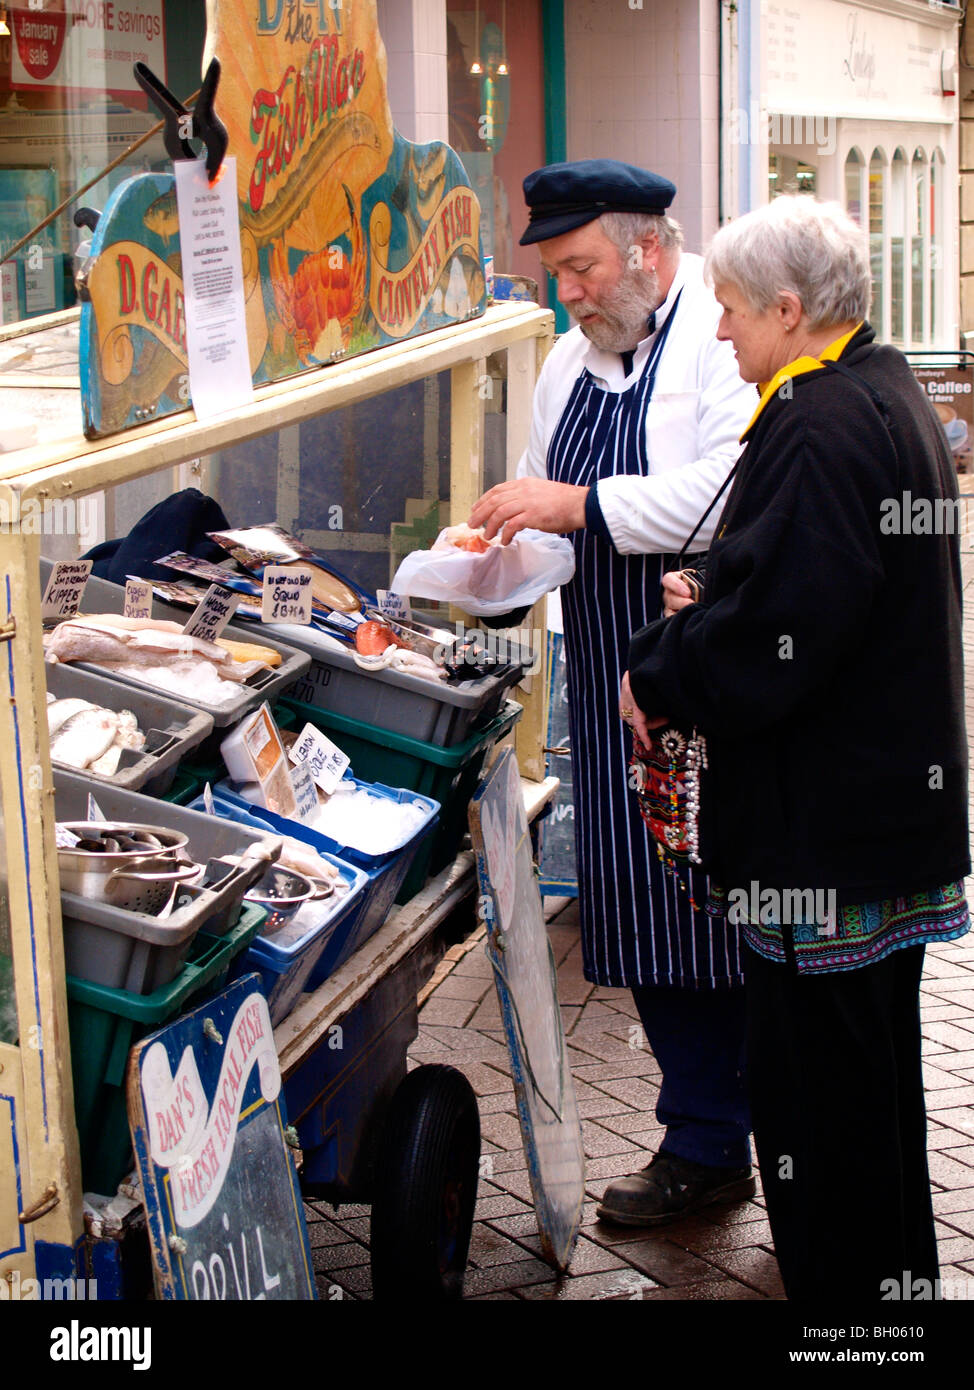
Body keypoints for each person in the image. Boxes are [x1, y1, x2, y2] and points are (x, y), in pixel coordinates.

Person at [623, 195, 971, 1299]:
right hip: (874, 828)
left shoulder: (817, 422)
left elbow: (780, 649)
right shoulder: (878, 389)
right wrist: (722, 590)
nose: (718, 332)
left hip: (826, 840)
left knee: (822, 1118)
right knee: (863, 1105)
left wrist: (660, 668)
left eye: (729, 310)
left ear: (786, 308)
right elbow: (824, 585)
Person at [470, 159, 758, 1225]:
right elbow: (551, 517)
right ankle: (697, 1139)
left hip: (707, 683)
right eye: (555, 273)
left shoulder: (717, 346)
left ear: (645, 249)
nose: (569, 293)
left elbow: (716, 502)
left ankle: (770, 1138)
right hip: (606, 679)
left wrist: (574, 504)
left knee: (725, 906)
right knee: (638, 907)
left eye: (582, 267)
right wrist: (489, 557)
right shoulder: (561, 363)